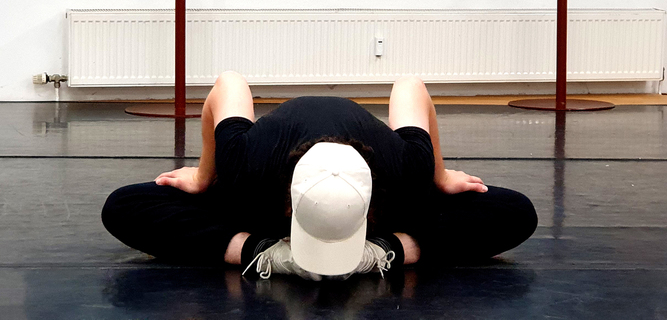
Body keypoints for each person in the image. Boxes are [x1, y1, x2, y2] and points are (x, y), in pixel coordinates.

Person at [102, 72, 537, 280]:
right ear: (287, 209)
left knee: (514, 212)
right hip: (264, 181)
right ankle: (259, 252)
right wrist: (203, 174)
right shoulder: (248, 168)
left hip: (388, 188)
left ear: (371, 210)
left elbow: (411, 87)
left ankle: (385, 250)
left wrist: (438, 176)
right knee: (125, 205)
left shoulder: (406, 173)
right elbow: (228, 85)